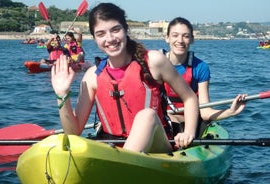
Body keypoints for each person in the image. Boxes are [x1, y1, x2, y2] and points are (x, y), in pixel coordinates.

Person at [51, 3, 199, 153]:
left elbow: (190, 98)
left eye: (115, 30)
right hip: (113, 148)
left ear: (125, 29)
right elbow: (73, 133)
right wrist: (62, 95)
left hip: (157, 148)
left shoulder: (154, 61)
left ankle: (119, 166)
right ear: (95, 38)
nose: (110, 39)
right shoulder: (92, 76)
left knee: (146, 115)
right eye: (101, 34)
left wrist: (189, 133)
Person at [163, 17, 247, 133]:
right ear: (167, 38)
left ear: (192, 39)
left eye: (186, 36)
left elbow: (205, 112)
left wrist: (230, 111)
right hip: (161, 119)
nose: (180, 40)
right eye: (175, 35)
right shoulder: (155, 64)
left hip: (187, 123)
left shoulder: (201, 68)